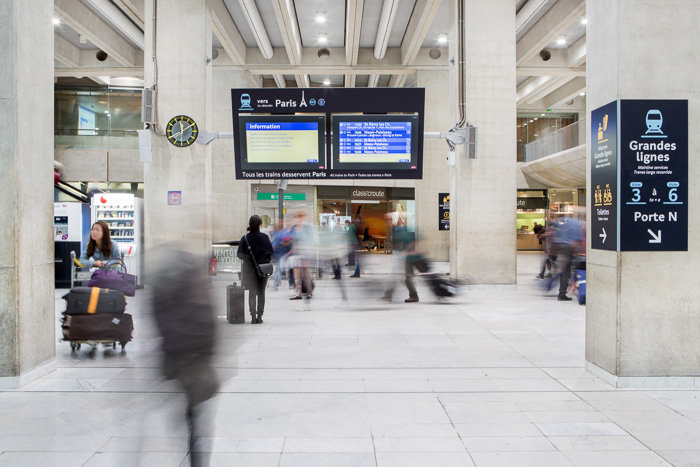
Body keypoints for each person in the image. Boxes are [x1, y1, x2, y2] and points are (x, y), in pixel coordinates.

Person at [149, 243, 219, 467]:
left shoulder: (165, 280)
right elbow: (207, 321)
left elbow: (159, 320)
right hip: (193, 362)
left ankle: (196, 457)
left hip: (178, 360)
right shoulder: (192, 276)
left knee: (193, 417)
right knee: (197, 419)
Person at [237, 215, 274, 323]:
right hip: (262, 269)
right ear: (259, 225)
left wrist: (248, 258)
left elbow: (240, 254)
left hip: (249, 270)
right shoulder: (264, 237)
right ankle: (260, 316)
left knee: (252, 292)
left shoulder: (245, 238)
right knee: (261, 292)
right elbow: (270, 252)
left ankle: (253, 316)